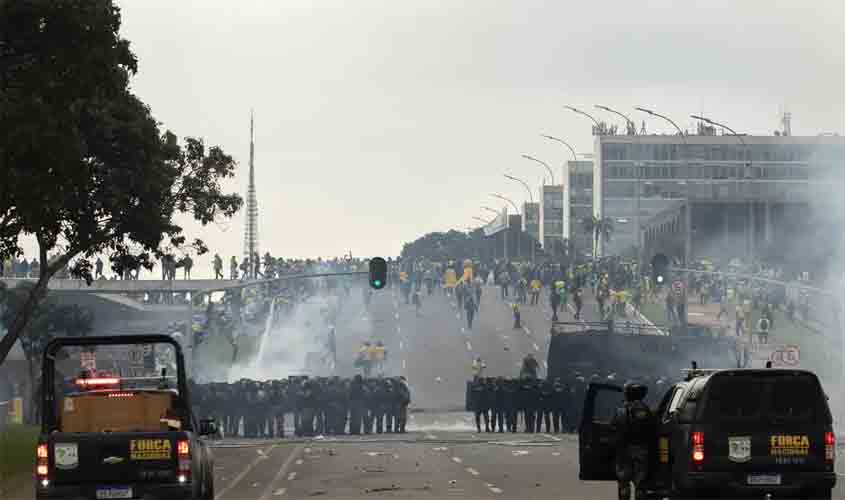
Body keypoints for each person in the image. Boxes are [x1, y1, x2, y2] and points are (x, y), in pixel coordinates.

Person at [611, 382, 654, 500]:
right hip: (641, 449)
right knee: (640, 485)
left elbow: (613, 427)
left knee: (623, 483)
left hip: (623, 451)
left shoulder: (621, 410)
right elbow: (652, 429)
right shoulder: (646, 410)